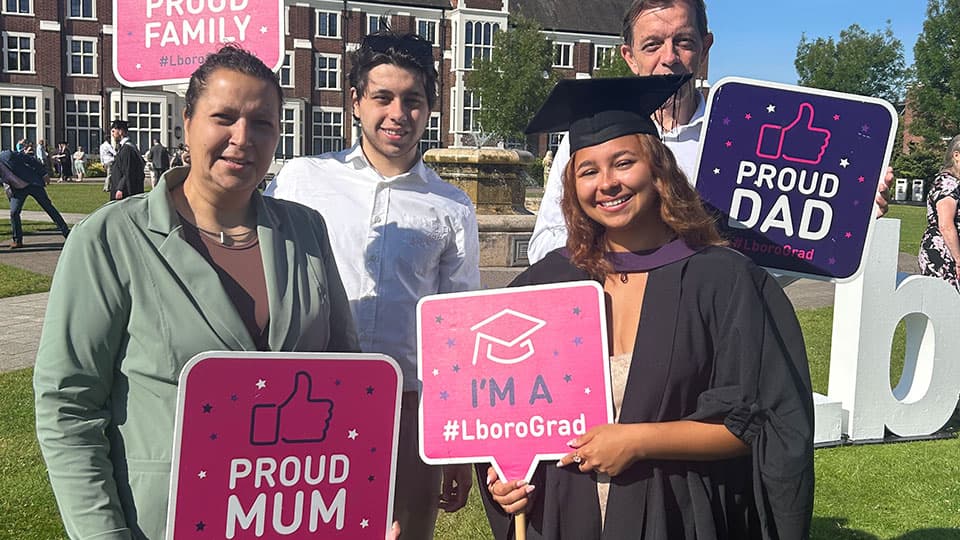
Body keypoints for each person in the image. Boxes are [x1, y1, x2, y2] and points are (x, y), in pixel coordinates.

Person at [33, 45, 360, 540]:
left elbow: (346, 377)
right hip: (163, 522)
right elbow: (68, 405)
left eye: (263, 123)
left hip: (296, 517)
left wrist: (359, 507)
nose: (242, 139)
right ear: (187, 123)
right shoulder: (110, 239)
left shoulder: (306, 230)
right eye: (223, 117)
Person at [479, 75, 814, 539]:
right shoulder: (545, 285)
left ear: (658, 169)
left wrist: (638, 441)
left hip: (677, 514)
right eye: (588, 170)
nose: (607, 183)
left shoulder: (724, 279)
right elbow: (499, 421)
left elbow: (759, 424)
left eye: (623, 163)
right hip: (564, 515)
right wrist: (505, 482)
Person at [264, 30, 480, 540]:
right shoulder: (301, 179)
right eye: (382, 97)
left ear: (430, 107)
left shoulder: (451, 206)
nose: (397, 113)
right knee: (310, 528)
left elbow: (458, 327)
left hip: (408, 403)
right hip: (310, 397)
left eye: (413, 100)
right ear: (356, 101)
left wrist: (456, 442)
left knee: (406, 531)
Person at [528, 0, 892, 264]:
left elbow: (774, 257)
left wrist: (849, 212)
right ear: (629, 57)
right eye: (652, 45)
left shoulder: (743, 140)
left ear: (705, 49)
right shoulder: (593, 137)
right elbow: (544, 244)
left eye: (683, 42)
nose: (668, 57)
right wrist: (629, 251)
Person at [0, 148, 71, 248]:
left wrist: (44, 173)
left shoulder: (7, 155)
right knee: (14, 213)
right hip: (18, 190)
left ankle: (67, 233)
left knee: (48, 208)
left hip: (32, 183)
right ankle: (17, 240)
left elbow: (30, 159)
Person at [918, 134, 960, 292]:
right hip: (944, 255)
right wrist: (958, 260)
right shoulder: (948, 185)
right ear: (956, 155)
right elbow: (946, 225)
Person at [108, 120, 146, 200]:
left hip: (124, 193)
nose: (112, 134)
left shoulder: (127, 149)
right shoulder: (126, 147)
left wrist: (120, 188)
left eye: (113, 131)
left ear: (121, 131)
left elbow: (128, 171)